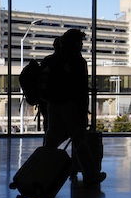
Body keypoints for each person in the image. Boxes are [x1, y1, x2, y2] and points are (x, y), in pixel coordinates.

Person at [40, 29, 106, 187]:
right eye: (80, 42)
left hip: (53, 104)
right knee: (79, 140)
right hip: (70, 106)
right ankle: (90, 175)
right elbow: (80, 88)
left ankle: (39, 172)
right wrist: (84, 110)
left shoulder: (50, 60)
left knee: (51, 141)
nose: (81, 45)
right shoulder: (77, 61)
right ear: (75, 43)